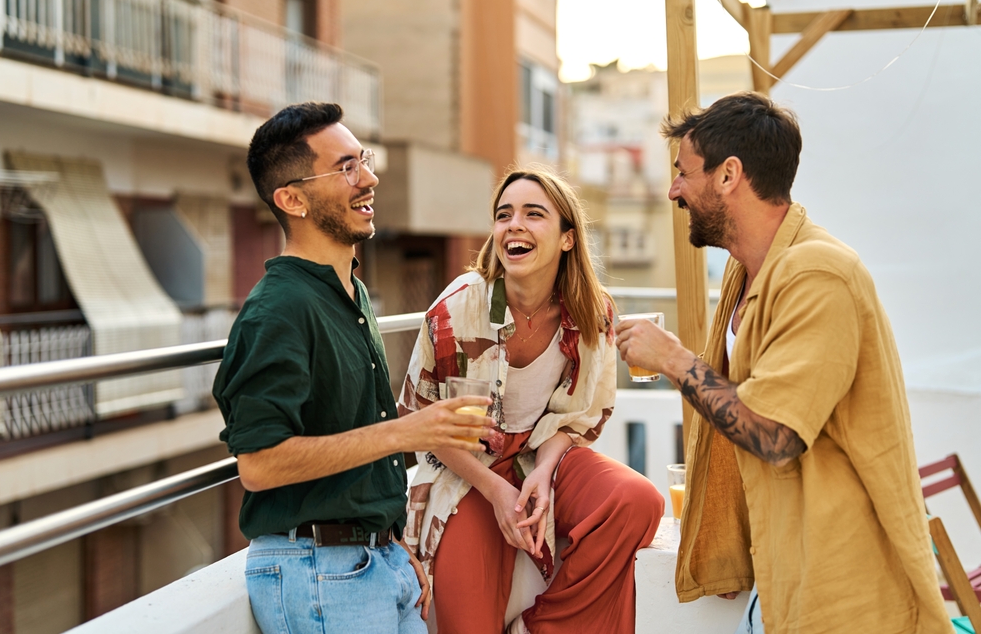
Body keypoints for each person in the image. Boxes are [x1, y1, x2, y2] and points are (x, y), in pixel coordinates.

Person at [616, 92, 952, 634]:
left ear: (729, 174)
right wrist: (725, 542)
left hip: (848, 590)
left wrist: (675, 360)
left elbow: (774, 433)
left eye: (684, 173)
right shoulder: (744, 275)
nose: (674, 189)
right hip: (777, 577)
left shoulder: (819, 274)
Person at [212, 102, 495, 634]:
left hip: (371, 562)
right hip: (319, 572)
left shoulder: (352, 291)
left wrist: (386, 541)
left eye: (362, 159)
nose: (369, 177)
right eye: (346, 167)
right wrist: (404, 433)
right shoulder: (279, 310)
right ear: (292, 199)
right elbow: (259, 463)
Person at [400, 167, 665, 634]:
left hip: (545, 459)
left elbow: (578, 416)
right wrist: (496, 490)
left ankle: (540, 628)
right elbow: (419, 418)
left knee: (636, 500)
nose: (513, 225)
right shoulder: (456, 309)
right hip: (469, 472)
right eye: (504, 215)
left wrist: (542, 471)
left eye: (533, 214)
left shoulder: (592, 310)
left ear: (567, 238)